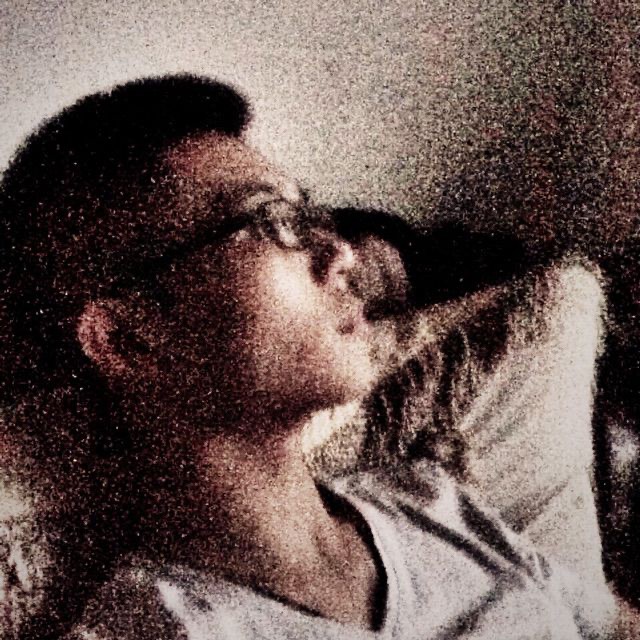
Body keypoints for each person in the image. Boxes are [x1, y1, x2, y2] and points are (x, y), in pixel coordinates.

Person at [0, 74, 632, 639]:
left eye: (311, 216)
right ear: (127, 339)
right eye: (271, 220)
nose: (342, 255)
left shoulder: (431, 503)